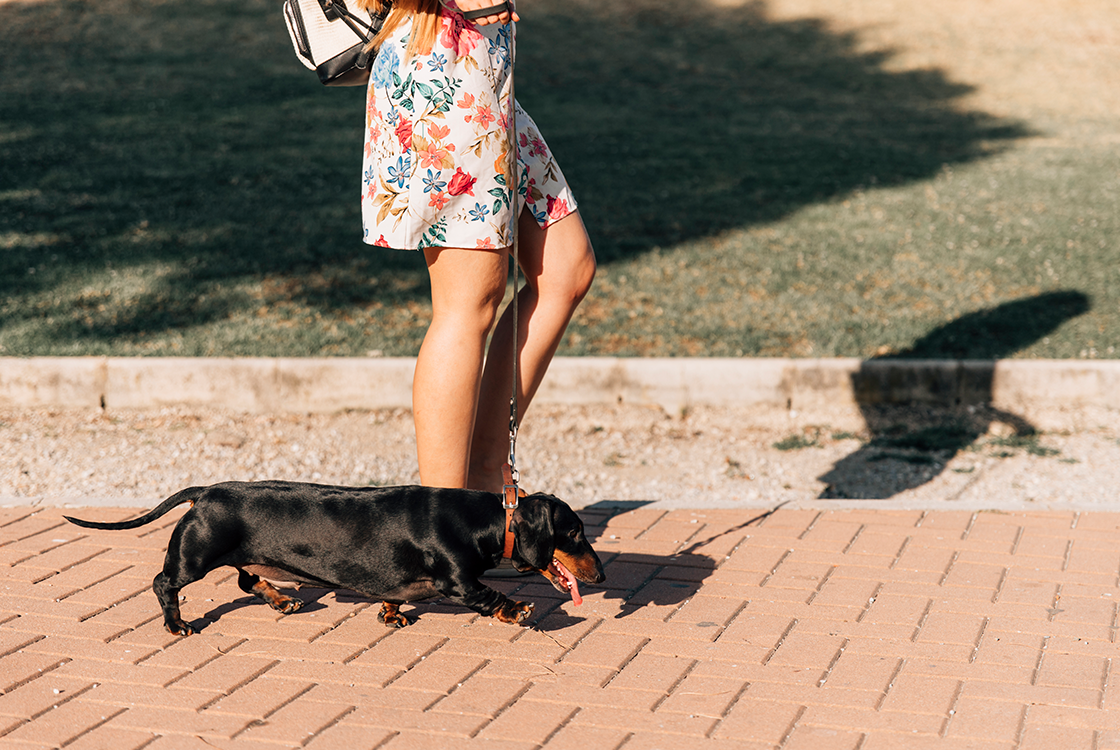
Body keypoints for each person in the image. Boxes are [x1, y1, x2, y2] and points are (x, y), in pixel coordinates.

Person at [356, 0, 596, 494]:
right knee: (467, 306)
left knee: (567, 270)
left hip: (486, 77)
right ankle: (443, 527)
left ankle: (486, 474)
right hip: (444, 77)